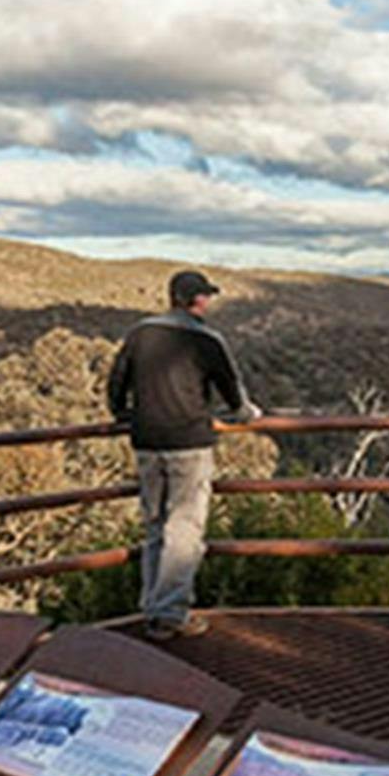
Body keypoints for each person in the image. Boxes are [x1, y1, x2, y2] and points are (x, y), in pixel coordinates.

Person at [107, 269, 261, 638]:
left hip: (146, 441)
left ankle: (152, 605)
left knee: (156, 524)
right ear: (199, 300)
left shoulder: (140, 334)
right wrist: (246, 415)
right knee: (185, 528)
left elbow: (116, 382)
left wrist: (122, 414)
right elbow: (233, 395)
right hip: (188, 443)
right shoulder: (207, 340)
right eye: (206, 297)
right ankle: (170, 614)